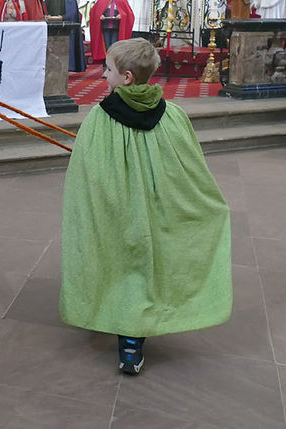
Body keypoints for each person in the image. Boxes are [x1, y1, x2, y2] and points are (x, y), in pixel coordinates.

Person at [60, 38, 232, 375]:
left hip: (118, 211)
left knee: (123, 261)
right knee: (149, 259)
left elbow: (88, 175)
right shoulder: (174, 115)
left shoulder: (98, 117)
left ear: (125, 77)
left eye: (107, 70)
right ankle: (139, 325)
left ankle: (128, 330)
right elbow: (191, 168)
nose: (102, 76)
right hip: (160, 209)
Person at [46, 0, 87, 72]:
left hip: (65, 26)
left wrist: (63, 17)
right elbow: (45, 8)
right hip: (51, 25)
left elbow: (73, 12)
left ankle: (68, 66)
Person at [88, 0, 134, 64]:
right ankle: (106, 66)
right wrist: (99, 15)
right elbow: (95, 11)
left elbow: (129, 14)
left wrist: (122, 15)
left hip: (116, 27)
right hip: (105, 27)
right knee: (106, 45)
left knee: (114, 46)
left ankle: (114, 66)